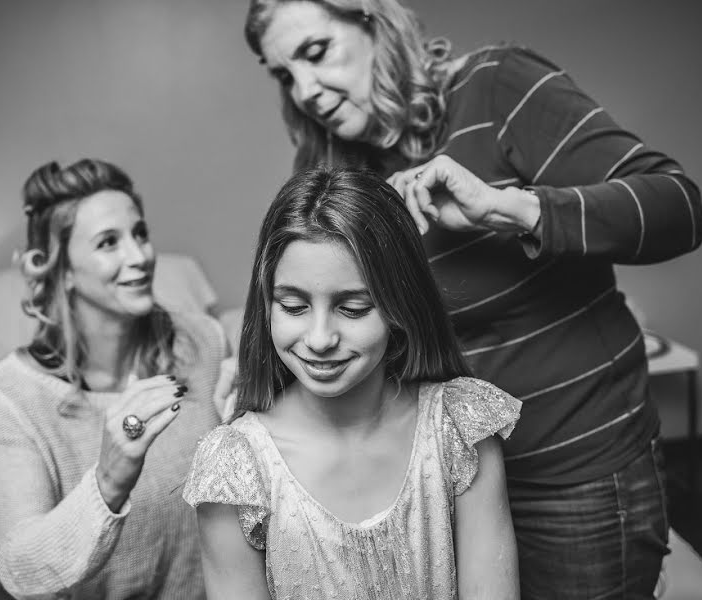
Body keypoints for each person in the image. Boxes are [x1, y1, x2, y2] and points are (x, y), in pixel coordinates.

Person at [243, 1, 702, 597]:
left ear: (374, 23)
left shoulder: (496, 87)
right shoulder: (334, 169)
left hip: (571, 475)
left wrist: (512, 210)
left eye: (315, 52)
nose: (305, 89)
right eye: (284, 74)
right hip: (439, 482)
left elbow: (678, 206)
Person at [183, 167, 522, 599]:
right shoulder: (236, 468)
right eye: (293, 306)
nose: (320, 339)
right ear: (267, 303)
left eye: (354, 308)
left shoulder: (459, 429)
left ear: (401, 306)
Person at [0, 159, 226, 599]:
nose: (140, 256)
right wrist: (110, 478)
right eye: (109, 242)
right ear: (63, 269)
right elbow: (21, 571)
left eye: (140, 233)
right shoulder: (9, 397)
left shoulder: (201, 342)